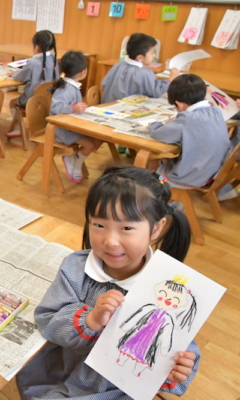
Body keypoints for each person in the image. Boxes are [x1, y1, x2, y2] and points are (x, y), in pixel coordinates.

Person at [16, 165, 200, 399]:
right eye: (99, 225)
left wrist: (177, 369)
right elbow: (47, 318)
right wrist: (90, 319)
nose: (110, 241)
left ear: (156, 228)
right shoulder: (75, 267)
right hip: (57, 376)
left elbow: (179, 346)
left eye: (127, 228)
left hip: (114, 391)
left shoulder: (167, 288)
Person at [148, 74, 230, 199]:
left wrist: (153, 125)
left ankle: (166, 197)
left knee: (153, 174)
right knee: (162, 161)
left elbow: (159, 134)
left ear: (179, 104)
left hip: (190, 177)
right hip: (214, 173)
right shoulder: (216, 111)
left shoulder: (187, 118)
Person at [50, 51, 103, 183]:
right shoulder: (66, 88)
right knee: (89, 145)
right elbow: (55, 107)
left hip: (71, 126)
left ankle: (73, 159)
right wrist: (73, 108)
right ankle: (75, 164)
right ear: (82, 72)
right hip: (62, 130)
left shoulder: (72, 86)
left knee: (97, 139)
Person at [6, 30, 58, 138]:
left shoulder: (33, 63)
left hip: (33, 99)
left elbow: (21, 76)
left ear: (37, 47)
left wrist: (14, 73)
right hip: (50, 99)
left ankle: (18, 129)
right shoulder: (54, 59)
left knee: (12, 103)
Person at [102, 33, 179, 103]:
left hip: (108, 105)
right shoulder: (145, 73)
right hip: (129, 109)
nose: (154, 55)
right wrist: (171, 79)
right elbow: (156, 91)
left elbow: (104, 84)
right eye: (152, 53)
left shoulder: (117, 66)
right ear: (140, 58)